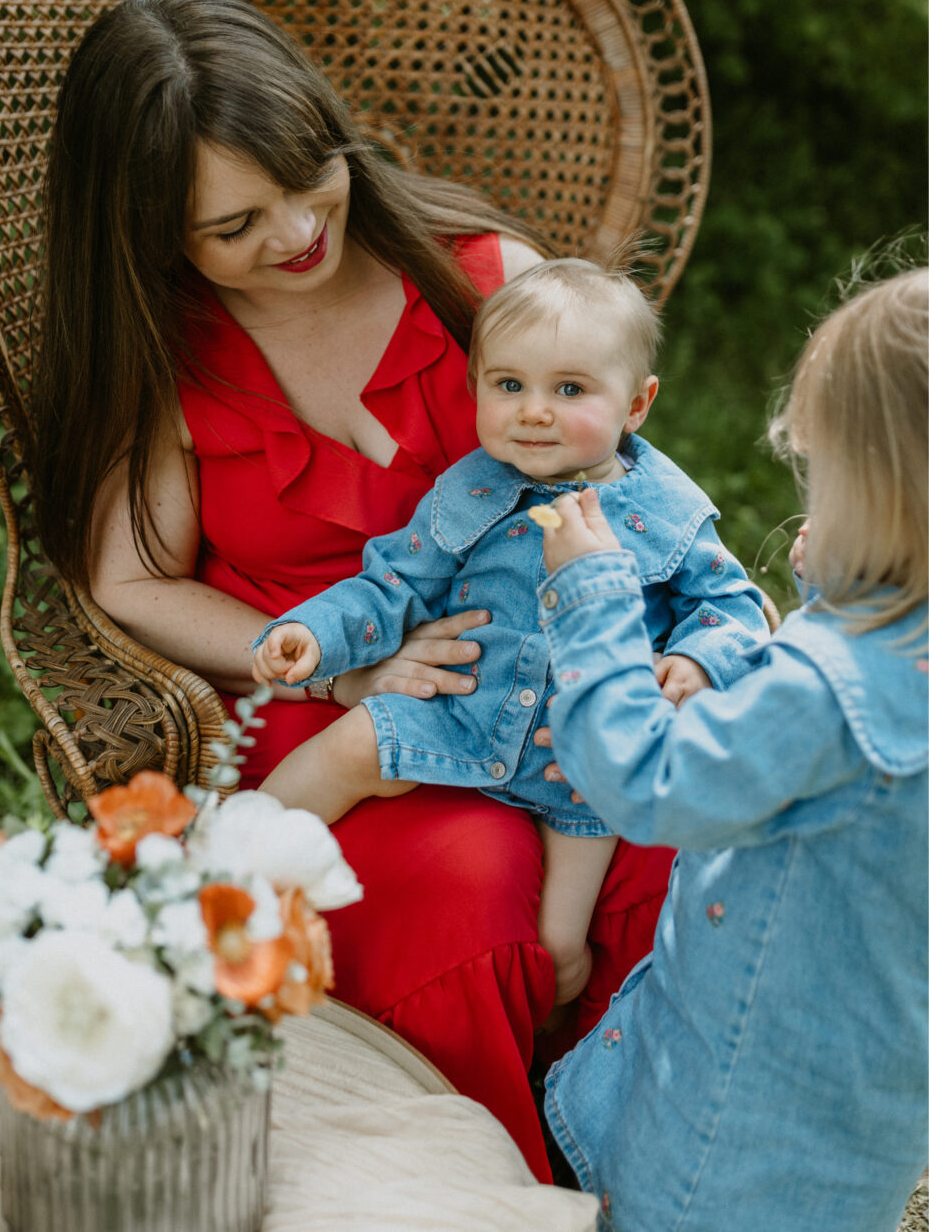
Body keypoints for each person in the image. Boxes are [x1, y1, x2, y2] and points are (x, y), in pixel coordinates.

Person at [29, 0, 676, 1181]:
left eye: (303, 176)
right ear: (154, 233)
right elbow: (130, 578)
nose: (292, 233)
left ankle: (665, 1168)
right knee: (470, 882)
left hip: (541, 685)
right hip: (332, 716)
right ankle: (485, 1192)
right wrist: (333, 668)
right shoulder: (170, 352)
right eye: (234, 225)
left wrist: (675, 646)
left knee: (678, 830)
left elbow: (627, 485)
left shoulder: (476, 277)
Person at [252, 260, 770, 1006]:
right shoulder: (474, 488)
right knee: (353, 744)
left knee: (561, 950)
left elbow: (732, 603)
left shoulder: (667, 509)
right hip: (463, 713)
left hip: (580, 764)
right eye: (508, 386)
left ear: (636, 405)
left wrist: (695, 658)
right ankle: (235, 866)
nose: (533, 412)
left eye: (569, 390)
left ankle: (550, 1056)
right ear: (478, 389)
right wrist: (316, 633)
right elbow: (395, 581)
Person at [532, 266, 928, 1230]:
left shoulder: (832, 693)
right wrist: (837, 590)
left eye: (824, 473)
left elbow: (645, 781)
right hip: (848, 1126)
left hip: (722, 1144)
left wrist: (593, 599)